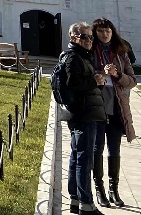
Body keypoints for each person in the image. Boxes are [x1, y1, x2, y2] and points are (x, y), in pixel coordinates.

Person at [90, 18, 136, 208]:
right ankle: (99, 189)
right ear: (95, 33)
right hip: (98, 105)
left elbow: (132, 80)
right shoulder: (90, 51)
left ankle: (113, 189)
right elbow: (85, 74)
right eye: (100, 31)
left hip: (116, 106)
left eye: (107, 30)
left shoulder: (120, 52)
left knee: (114, 149)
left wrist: (117, 74)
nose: (105, 34)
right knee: (97, 148)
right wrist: (99, 73)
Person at [62, 21, 107, 214]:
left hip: (87, 111)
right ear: (73, 38)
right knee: (84, 159)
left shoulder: (82, 56)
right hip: (84, 113)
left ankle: (75, 199)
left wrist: (98, 82)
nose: (89, 40)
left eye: (90, 37)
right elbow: (73, 82)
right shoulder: (73, 57)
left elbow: (86, 84)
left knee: (77, 156)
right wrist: (94, 80)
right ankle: (86, 205)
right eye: (84, 36)